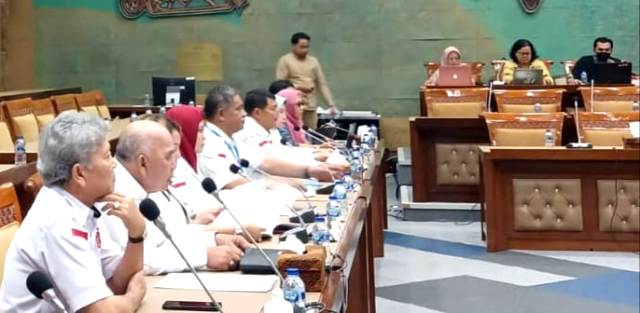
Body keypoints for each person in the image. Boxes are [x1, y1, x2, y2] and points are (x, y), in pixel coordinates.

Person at [0, 112, 146, 312]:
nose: (114, 164)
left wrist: (136, 234)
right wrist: (134, 297)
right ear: (79, 173)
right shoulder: (56, 221)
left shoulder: (83, 206)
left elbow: (117, 283)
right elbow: (102, 310)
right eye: (106, 156)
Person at [103, 120, 250, 274]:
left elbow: (167, 237)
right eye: (169, 157)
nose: (175, 164)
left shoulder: (144, 183)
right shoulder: (114, 195)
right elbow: (133, 260)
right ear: (143, 163)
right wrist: (203, 256)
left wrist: (214, 238)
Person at [197, 85, 335, 190]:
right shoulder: (210, 143)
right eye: (238, 109)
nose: (244, 114)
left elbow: (269, 158)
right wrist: (302, 177)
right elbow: (234, 183)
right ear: (221, 114)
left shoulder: (231, 137)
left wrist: (310, 169)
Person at [276, 32, 337, 128]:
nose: (305, 50)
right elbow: (279, 85)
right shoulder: (285, 60)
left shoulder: (313, 61)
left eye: (307, 47)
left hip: (310, 106)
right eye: (302, 47)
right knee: (294, 132)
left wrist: (331, 104)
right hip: (292, 107)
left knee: (311, 133)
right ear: (293, 45)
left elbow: (322, 84)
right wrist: (298, 87)